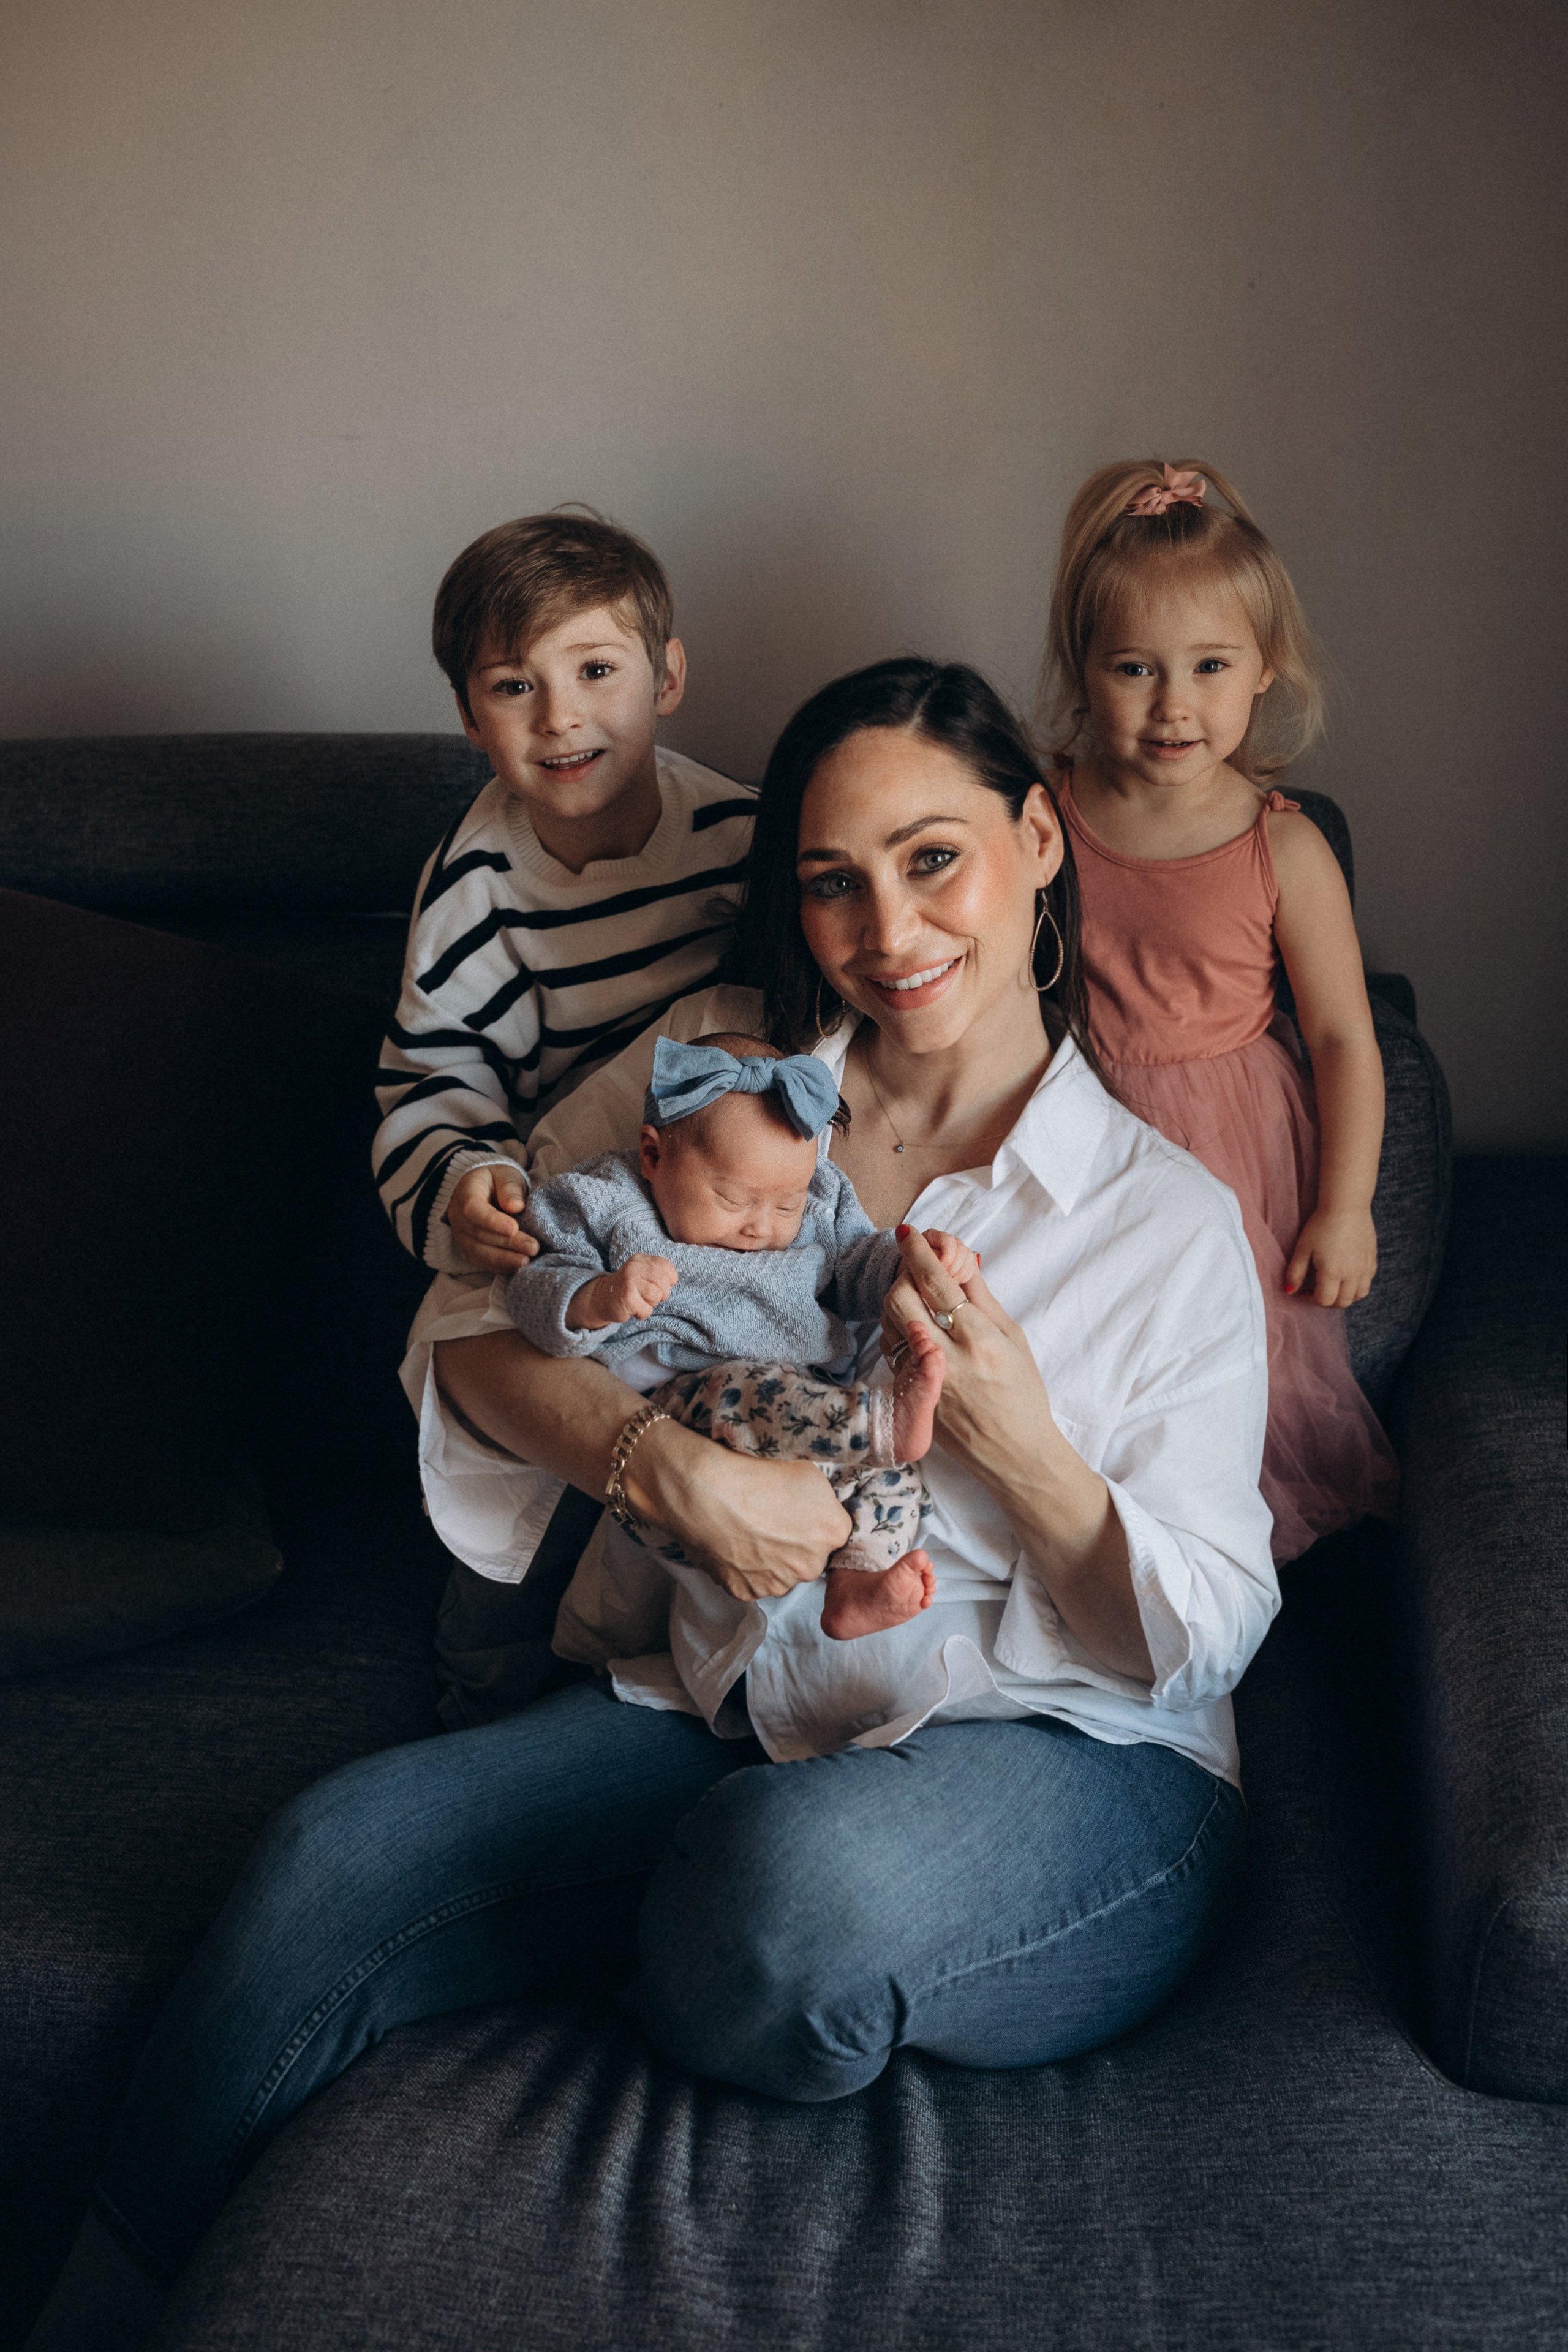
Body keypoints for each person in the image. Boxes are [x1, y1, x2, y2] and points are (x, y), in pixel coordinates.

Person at [28, 658, 1275, 2351]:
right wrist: (656, 1463)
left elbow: (1204, 1637)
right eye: (831, 879)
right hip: (723, 1705)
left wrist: (1024, 1443)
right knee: (337, 1855)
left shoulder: (1160, 1219)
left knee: (789, 1901)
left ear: (1039, 841)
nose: (884, 927)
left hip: (1070, 1748)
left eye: (933, 858)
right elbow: (468, 1346)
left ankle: (681, 1923)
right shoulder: (708, 1075)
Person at [372, 506, 755, 1722]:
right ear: (468, 716)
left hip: (723, 1193)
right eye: (513, 687)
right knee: (511, 1425)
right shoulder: (474, 883)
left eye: (596, 671)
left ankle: (676, 1676)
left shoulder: (746, 843)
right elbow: (435, 1078)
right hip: (562, 1198)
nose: (560, 718)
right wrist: (464, 1185)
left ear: (668, 675)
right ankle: (477, 1688)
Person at [1039, 458, 1399, 1562]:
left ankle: (1232, 1570)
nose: (1174, 705)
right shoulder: (1042, 813)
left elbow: (1344, 1037)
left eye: (1209, 667)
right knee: (1096, 1364)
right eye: (1135, 669)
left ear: (1264, 671)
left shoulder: (1280, 843)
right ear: (1085, 669)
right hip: (1085, 1126)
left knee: (1236, 1368)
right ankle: (1113, 1549)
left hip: (1235, 1141)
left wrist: (1346, 1206)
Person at [509, 1030, 972, 1648]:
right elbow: (531, 1288)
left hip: (808, 1426)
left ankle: (857, 1583)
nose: (760, 1226)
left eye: (784, 1207)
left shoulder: (820, 1200)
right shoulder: (605, 1201)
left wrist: (908, 1262)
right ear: (653, 1156)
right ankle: (884, 1423)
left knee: (894, 1480)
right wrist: (599, 1298)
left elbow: (857, 1266)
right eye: (731, 1198)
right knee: (748, 1391)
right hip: (680, 1421)